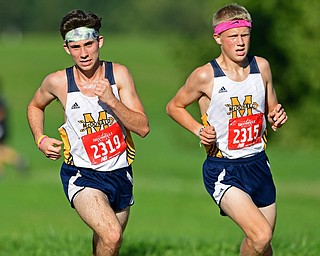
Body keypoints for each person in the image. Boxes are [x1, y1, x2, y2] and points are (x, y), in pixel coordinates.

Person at [166, 4, 287, 256]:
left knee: (263, 245)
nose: (240, 42)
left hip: (258, 163)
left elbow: (271, 106)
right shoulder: (205, 76)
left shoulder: (261, 67)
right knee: (260, 234)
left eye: (245, 35)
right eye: (233, 36)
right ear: (218, 38)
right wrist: (198, 130)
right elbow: (174, 106)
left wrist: (276, 116)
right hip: (224, 168)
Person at [27, 9, 149, 256]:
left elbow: (143, 127)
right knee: (112, 234)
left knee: (108, 242)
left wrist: (112, 101)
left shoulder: (119, 75)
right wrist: (40, 138)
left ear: (100, 42)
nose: (83, 53)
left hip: (120, 173)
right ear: (66, 48)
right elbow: (35, 106)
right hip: (82, 174)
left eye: (89, 44)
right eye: (75, 47)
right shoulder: (58, 82)